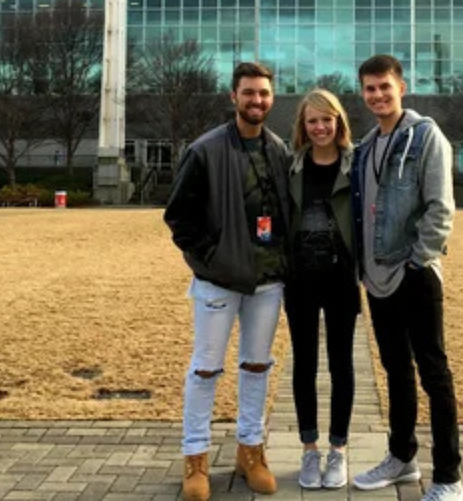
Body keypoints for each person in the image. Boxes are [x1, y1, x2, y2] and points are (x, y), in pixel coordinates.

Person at [163, 62, 291, 501]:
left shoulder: (278, 150)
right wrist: (212, 260)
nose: (257, 100)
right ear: (233, 96)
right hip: (218, 282)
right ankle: (195, 457)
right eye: (249, 92)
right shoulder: (205, 150)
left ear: (272, 98)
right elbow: (179, 217)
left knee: (257, 366)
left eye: (264, 93)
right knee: (205, 368)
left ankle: (250, 451)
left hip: (267, 281)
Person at [349, 54, 463, 501]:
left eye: (385, 86)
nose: (378, 95)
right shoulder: (365, 147)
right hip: (377, 279)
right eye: (370, 88)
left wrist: (418, 261)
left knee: (434, 374)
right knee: (396, 370)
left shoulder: (426, 136)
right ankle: (402, 458)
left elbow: (441, 207)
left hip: (415, 275)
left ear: (401, 87)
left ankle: (449, 476)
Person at [284, 89, 360, 490]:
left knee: (341, 363)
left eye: (326, 120)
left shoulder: (356, 164)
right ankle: (309, 448)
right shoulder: (292, 166)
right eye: (312, 121)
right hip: (300, 280)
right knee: (304, 364)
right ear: (303, 125)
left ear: (338, 121)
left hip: (341, 279)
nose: (320, 127)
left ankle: (338, 449)